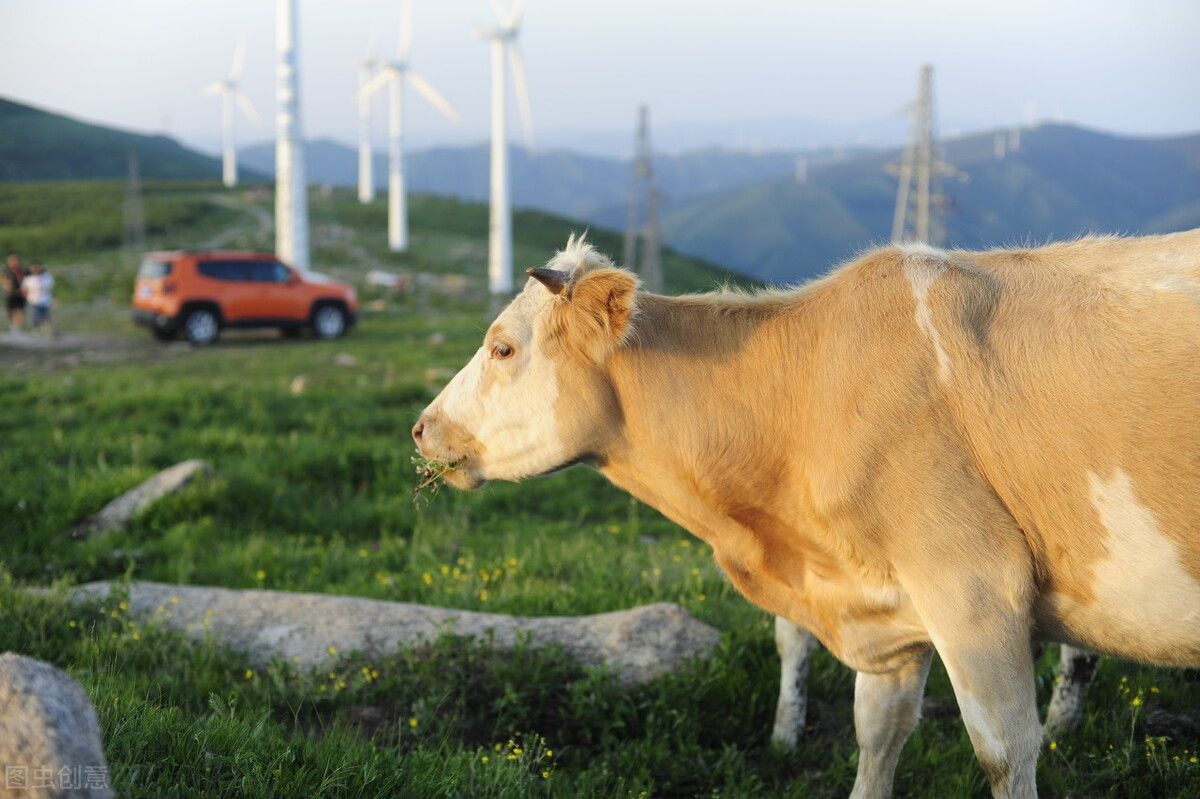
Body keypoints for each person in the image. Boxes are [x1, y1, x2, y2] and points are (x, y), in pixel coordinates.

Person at [23, 261, 54, 336]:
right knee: (35, 316)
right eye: (33, 268)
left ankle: (46, 330)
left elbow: (49, 286)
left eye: (37, 267)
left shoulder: (46, 276)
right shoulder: (28, 278)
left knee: (45, 316)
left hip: (44, 300)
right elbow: (24, 289)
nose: (35, 269)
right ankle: (36, 330)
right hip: (33, 300)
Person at [4, 253, 26, 331]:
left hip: (20, 292)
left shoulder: (22, 270)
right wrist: (6, 284)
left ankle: (19, 326)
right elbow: (2, 279)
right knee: (10, 310)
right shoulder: (6, 270)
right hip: (10, 293)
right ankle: (12, 324)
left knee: (20, 309)